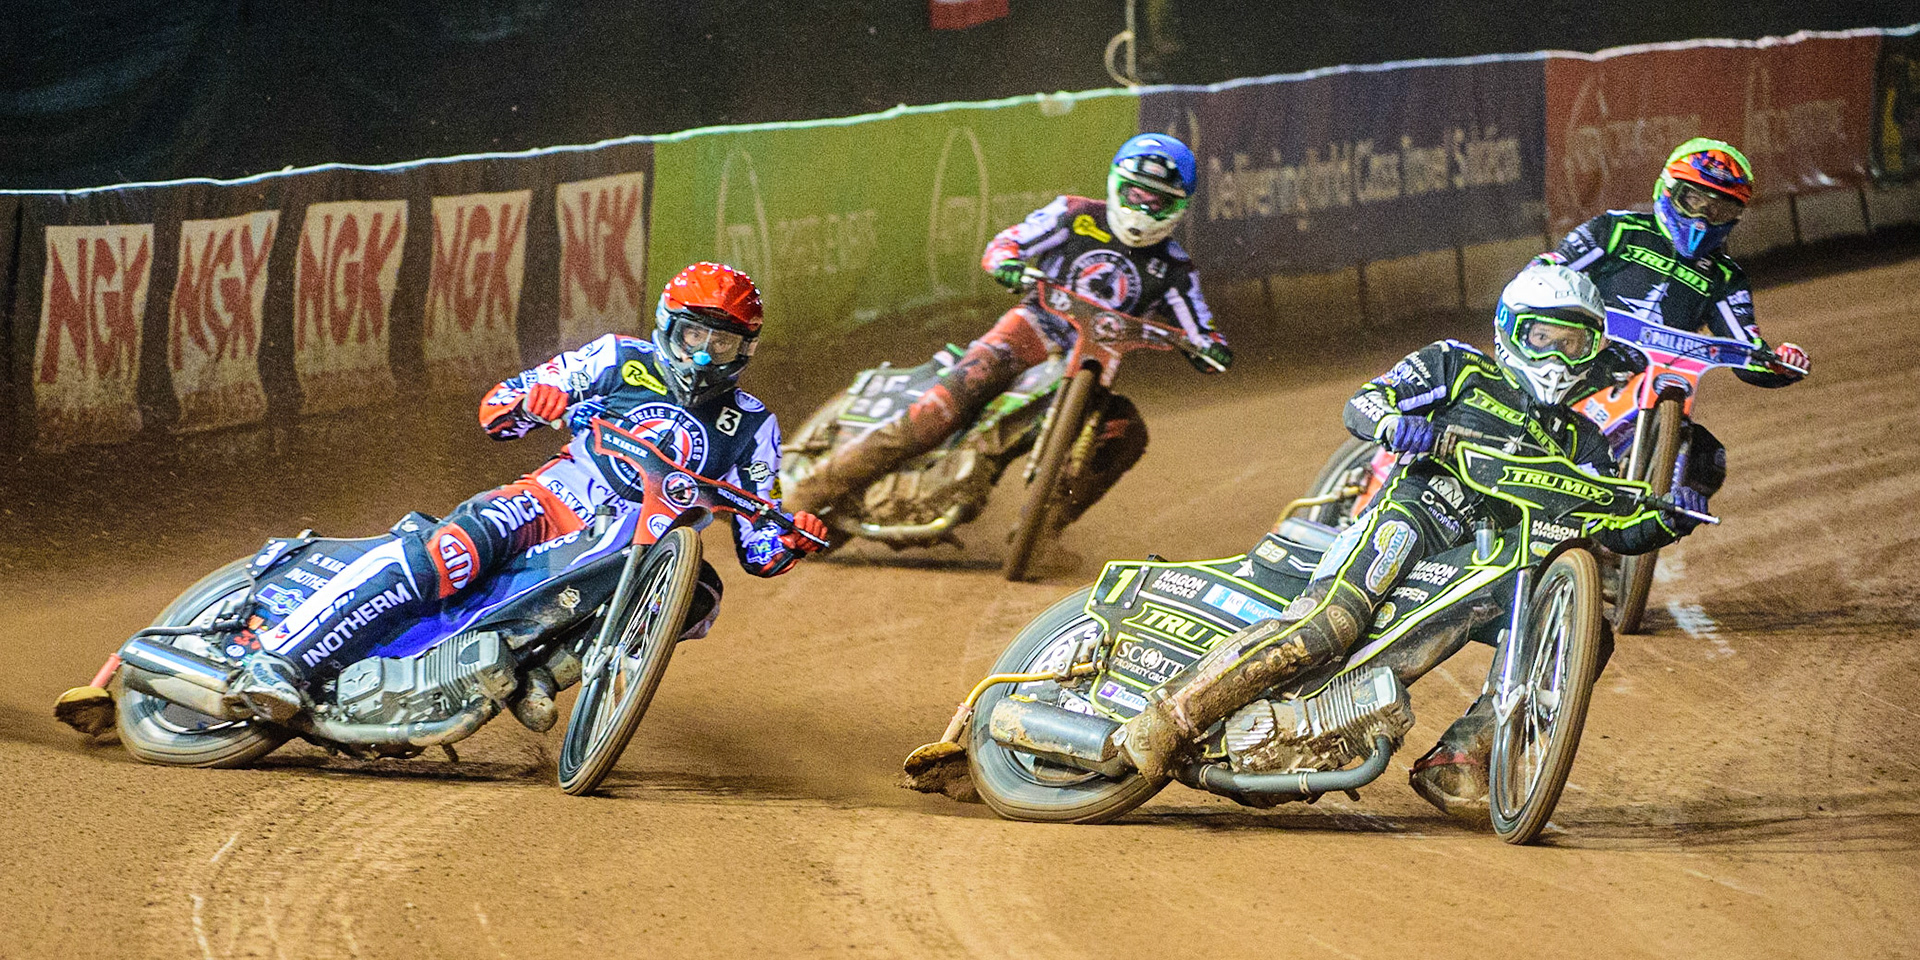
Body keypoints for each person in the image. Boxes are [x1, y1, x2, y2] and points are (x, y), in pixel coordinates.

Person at [1112, 263, 1709, 796]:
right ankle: (1168, 718)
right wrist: (1401, 425)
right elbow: (1365, 403)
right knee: (1331, 624)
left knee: (1589, 633)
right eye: (1542, 338)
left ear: (1592, 351)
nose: (1555, 358)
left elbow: (1605, 525)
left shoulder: (1584, 441)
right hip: (1415, 519)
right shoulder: (1458, 365)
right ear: (1510, 332)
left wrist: (1665, 518)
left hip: (1491, 566)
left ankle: (1462, 761)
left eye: (1571, 342)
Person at [229, 262, 829, 726]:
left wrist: (792, 538)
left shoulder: (754, 426)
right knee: (450, 552)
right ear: (667, 325)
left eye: (721, 342)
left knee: (699, 594)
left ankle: (542, 673)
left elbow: (758, 544)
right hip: (547, 504)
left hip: (632, 557)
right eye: (694, 332)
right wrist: (531, 404)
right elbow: (497, 410)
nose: (703, 352)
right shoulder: (616, 357)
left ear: (744, 349)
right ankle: (279, 660)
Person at [782, 133, 1233, 525]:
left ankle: (1047, 527)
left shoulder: (1175, 268)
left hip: (1096, 363)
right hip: (1032, 328)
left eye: (1158, 201)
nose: (1143, 207)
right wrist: (1009, 264)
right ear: (1118, 185)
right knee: (950, 399)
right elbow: (1008, 242)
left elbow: (1201, 326)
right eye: (1136, 193)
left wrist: (1209, 348)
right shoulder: (1073, 214)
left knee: (1126, 433)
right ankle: (804, 496)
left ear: (1179, 208)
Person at [1542, 137, 1809, 391]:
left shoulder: (1725, 278)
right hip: (1571, 366)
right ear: (1669, 190)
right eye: (1693, 200)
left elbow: (1746, 350)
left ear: (1734, 217)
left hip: (1654, 391)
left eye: (1719, 211)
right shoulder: (1618, 229)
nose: (1702, 220)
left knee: (1707, 443)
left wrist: (1782, 364)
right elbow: (1548, 274)